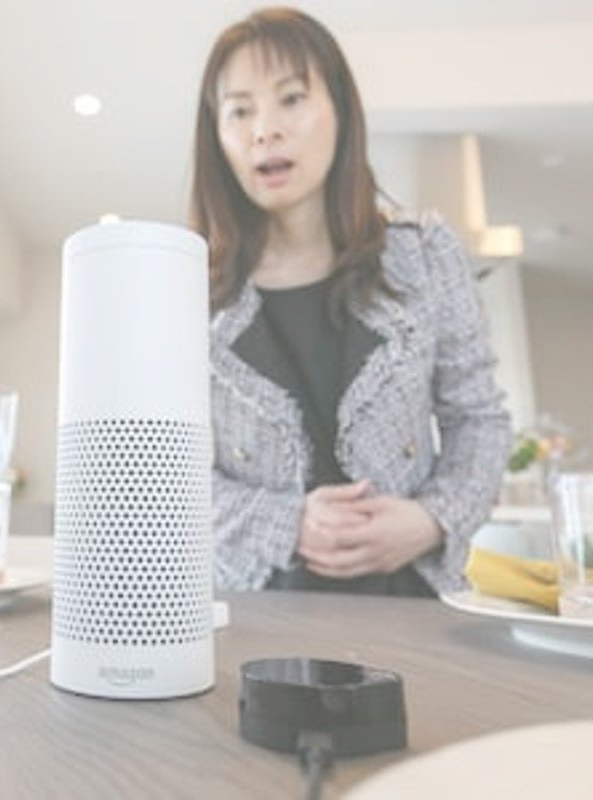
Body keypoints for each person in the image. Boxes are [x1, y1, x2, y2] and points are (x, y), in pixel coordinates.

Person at [190, 7, 511, 596]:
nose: (264, 129)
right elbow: (163, 473)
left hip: (410, 602)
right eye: (239, 110)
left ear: (340, 109)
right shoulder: (187, 292)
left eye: (290, 98)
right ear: (218, 137)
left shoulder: (424, 254)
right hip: (252, 612)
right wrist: (286, 522)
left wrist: (431, 519)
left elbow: (479, 421)